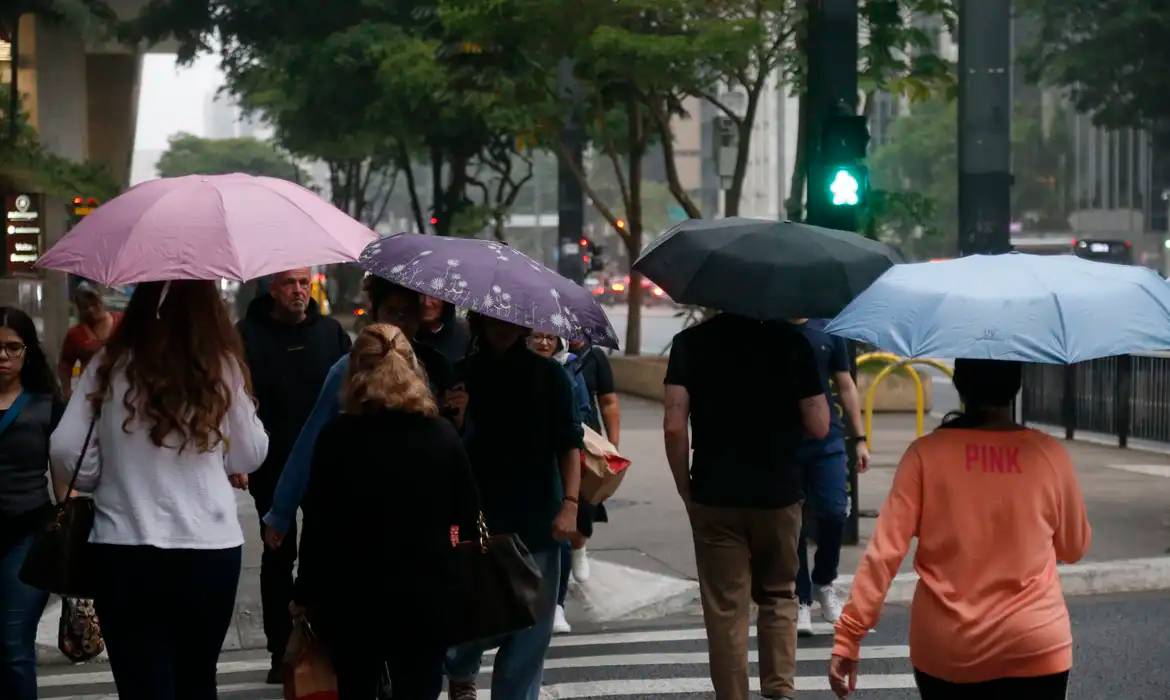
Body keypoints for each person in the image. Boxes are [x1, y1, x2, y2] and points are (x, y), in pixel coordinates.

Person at [49, 281, 269, 700]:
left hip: (124, 544)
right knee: (197, 677)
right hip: (208, 548)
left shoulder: (109, 364)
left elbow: (65, 448)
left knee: (141, 682)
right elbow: (250, 454)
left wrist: (104, 476)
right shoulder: (220, 365)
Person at [829, 359, 1091, 700]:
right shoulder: (1049, 454)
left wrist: (849, 636)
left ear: (961, 387)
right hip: (1035, 640)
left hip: (948, 646)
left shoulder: (925, 454)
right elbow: (1073, 548)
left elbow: (884, 554)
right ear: (1016, 386)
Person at [294, 324, 478, 699]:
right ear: (412, 368)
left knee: (357, 686)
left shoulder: (337, 439)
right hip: (425, 595)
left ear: (355, 371)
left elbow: (318, 525)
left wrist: (304, 591)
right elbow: (466, 513)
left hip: (352, 597)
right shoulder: (441, 436)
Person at [664, 313, 828, 700]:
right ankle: (779, 690)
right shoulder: (792, 342)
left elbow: (673, 425)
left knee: (725, 608)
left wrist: (684, 487)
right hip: (778, 494)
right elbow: (820, 424)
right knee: (778, 593)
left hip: (714, 492)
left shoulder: (690, 343)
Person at [445, 314, 582, 700]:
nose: (502, 326)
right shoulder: (461, 374)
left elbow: (569, 444)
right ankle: (459, 667)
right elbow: (446, 448)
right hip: (478, 519)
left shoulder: (551, 377)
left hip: (538, 517)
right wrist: (457, 417)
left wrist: (571, 504)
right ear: (479, 321)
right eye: (493, 319)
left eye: (511, 318)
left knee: (530, 636)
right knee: (474, 624)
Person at [261, 277, 455, 548]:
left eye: (407, 313)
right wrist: (282, 511)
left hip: (422, 514)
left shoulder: (435, 366)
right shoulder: (349, 369)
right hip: (362, 514)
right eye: (391, 312)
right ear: (375, 312)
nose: (398, 321)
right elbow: (311, 438)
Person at [236, 268, 352, 682]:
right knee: (277, 555)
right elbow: (234, 399)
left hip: (326, 464)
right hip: (271, 460)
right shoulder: (246, 334)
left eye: (304, 282)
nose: (299, 291)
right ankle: (278, 648)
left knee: (322, 555)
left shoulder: (332, 333)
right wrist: (236, 458)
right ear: (272, 289)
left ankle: (321, 642)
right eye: (290, 283)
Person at [789, 319, 871, 636]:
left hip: (828, 439)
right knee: (792, 519)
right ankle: (801, 597)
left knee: (835, 511)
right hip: (786, 440)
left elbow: (845, 383)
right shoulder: (773, 329)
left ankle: (825, 581)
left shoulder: (829, 329)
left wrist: (860, 438)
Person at [0, 308, 65, 700]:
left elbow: (62, 481)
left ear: (27, 352)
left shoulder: (45, 404)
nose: (3, 356)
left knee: (11, 645)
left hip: (26, 536)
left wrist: (72, 535)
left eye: (13, 347)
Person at [527, 332, 591, 635]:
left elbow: (580, 418)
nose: (542, 343)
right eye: (535, 337)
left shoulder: (565, 371)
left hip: (555, 469)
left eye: (549, 337)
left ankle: (557, 604)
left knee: (559, 540)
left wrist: (571, 501)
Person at [564, 338, 621, 584]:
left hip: (589, 442)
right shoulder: (545, 356)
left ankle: (579, 548)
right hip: (556, 439)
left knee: (584, 502)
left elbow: (608, 402)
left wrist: (613, 447)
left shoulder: (594, 357)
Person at [58, 284, 121, 399]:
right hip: (89, 392)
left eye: (94, 304)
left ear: (101, 300)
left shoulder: (122, 323)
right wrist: (67, 390)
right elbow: (65, 364)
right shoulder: (75, 334)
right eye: (85, 307)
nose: (91, 310)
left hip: (119, 389)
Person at [417, 295, 471, 365]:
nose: (426, 302)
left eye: (433, 295)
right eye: (421, 294)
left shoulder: (463, 330)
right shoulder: (405, 330)